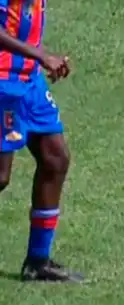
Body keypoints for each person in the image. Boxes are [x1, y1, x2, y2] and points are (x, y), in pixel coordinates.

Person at [0, 0, 82, 282]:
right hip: (2, 81)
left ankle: (37, 261)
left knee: (55, 159)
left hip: (29, 80)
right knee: (0, 176)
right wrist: (41, 55)